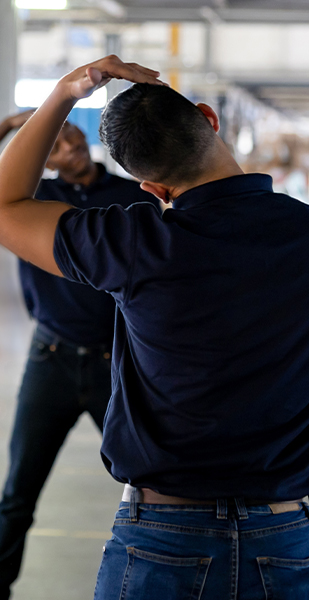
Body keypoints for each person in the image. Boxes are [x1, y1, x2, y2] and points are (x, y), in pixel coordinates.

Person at [0, 56, 309, 600]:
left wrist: (69, 91)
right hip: (283, 540)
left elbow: (6, 203)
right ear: (210, 119)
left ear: (151, 186)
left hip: (159, 537)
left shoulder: (132, 242)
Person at [0, 110, 158, 600]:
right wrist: (17, 124)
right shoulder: (33, 200)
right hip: (50, 360)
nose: (68, 144)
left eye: (71, 134)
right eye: (55, 142)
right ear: (40, 159)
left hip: (117, 362)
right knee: (17, 494)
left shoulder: (133, 197)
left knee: (152, 484)